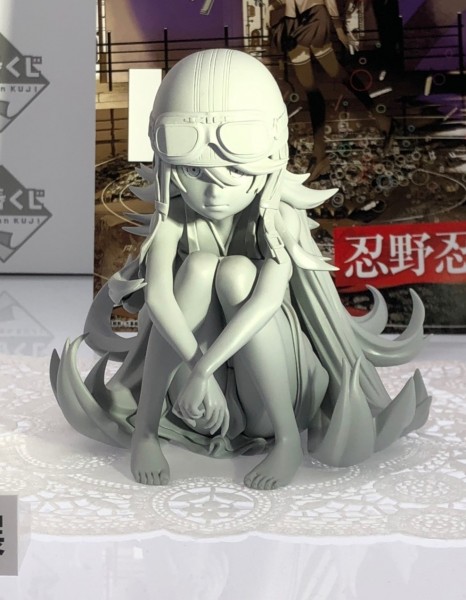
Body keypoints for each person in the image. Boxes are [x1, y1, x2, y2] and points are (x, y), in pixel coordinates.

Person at [51, 49, 429, 490]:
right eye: (195, 172)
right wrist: (197, 371)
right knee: (198, 267)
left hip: (267, 394)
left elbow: (266, 302)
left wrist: (203, 371)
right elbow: (158, 300)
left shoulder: (276, 217)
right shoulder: (174, 218)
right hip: (189, 401)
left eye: (234, 170)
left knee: (236, 274)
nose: (214, 192)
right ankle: (147, 432)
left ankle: (287, 438)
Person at [270, 0, 393, 180]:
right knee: (335, 74)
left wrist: (283, 22)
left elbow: (288, 5)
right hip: (313, 17)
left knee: (314, 86)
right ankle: (382, 119)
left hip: (302, 21)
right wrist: (339, 30)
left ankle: (320, 152)